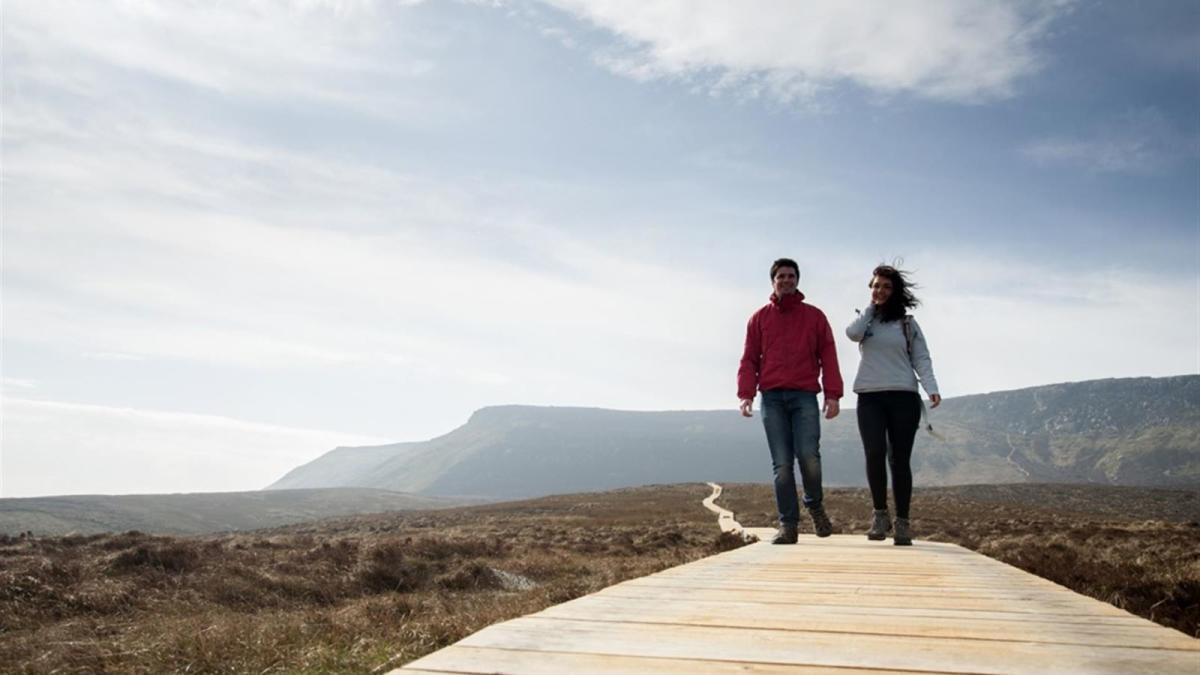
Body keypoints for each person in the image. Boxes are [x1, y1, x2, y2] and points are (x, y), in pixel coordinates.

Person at [738, 258, 843, 544]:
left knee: (808, 456)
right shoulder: (759, 319)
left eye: (791, 276)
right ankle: (788, 525)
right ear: (773, 281)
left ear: (797, 280)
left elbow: (828, 354)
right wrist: (746, 394)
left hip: (804, 395)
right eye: (781, 276)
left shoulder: (815, 317)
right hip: (771, 398)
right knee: (782, 464)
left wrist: (832, 394)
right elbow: (749, 359)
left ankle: (814, 504)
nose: (786, 280)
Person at [845, 264, 941, 546]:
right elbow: (851, 333)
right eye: (876, 286)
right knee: (874, 453)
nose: (880, 291)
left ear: (895, 291)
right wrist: (870, 308)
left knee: (899, 459)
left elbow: (922, 358)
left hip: (903, 395)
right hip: (869, 395)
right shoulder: (867, 322)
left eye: (886, 287)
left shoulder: (907, 324)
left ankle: (902, 522)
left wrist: (931, 387)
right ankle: (879, 515)